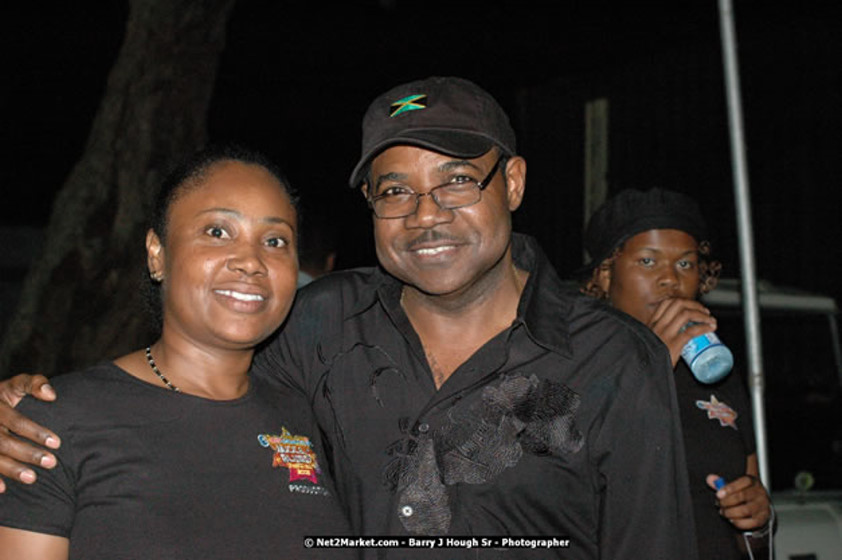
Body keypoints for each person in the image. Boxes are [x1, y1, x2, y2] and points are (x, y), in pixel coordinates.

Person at [0, 77, 699, 559]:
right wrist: (24, 408)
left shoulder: (614, 360)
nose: (426, 214)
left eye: (456, 180)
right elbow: (195, 397)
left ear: (510, 183)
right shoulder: (319, 325)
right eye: (396, 190)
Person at [0, 145, 353, 559]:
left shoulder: (313, 416)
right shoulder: (50, 424)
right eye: (217, 231)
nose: (251, 261)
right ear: (157, 254)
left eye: (275, 240)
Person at [579, 187, 773, 559]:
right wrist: (653, 365)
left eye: (685, 264)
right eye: (648, 262)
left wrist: (757, 519)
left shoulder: (718, 374)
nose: (671, 279)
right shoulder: (577, 365)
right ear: (605, 276)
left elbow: (755, 536)